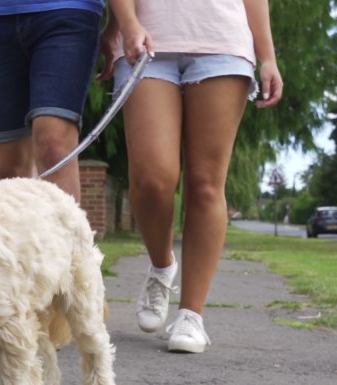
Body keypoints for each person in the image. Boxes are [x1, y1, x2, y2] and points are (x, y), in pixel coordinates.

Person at [99, 0, 283, 353]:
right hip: (146, 38)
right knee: (152, 180)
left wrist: (268, 56)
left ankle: (190, 315)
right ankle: (162, 265)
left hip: (223, 42)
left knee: (205, 184)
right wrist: (124, 24)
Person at [0, 0, 106, 202]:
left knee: (54, 145)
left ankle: (66, 233)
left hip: (68, 12)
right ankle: (21, 233)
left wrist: (122, 25)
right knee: (9, 169)